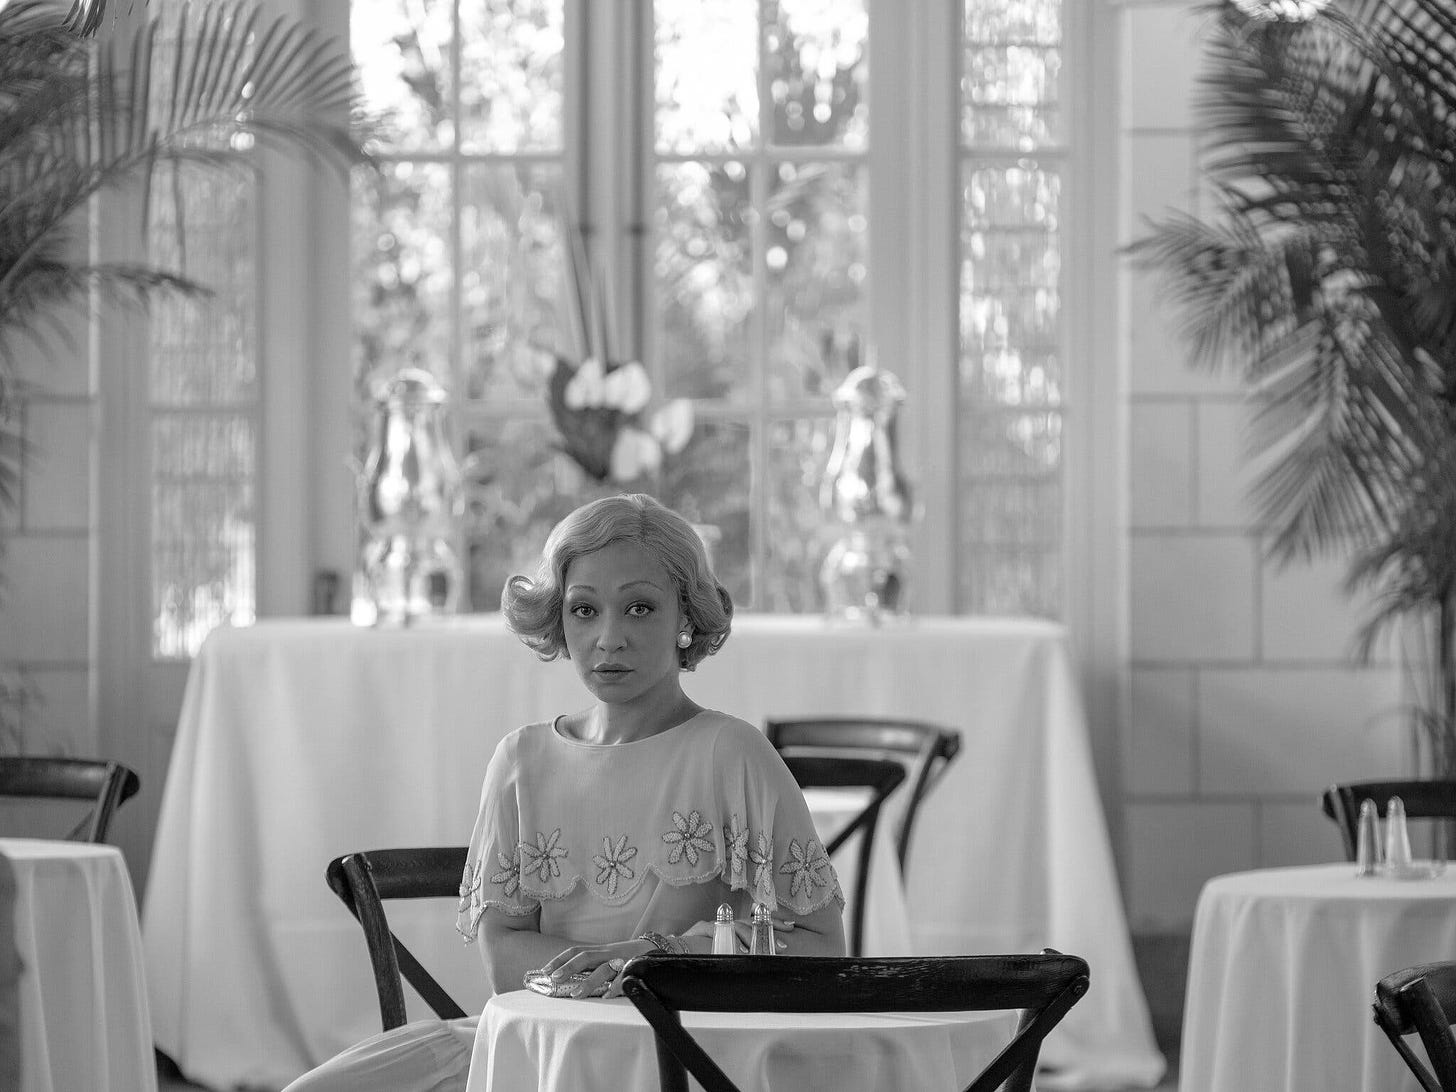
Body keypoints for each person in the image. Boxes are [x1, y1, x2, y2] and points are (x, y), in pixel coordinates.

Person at [284, 493, 846, 1092]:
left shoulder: (733, 754)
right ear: (557, 618)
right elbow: (504, 960)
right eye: (584, 610)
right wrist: (627, 966)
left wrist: (649, 957)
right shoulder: (521, 762)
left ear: (686, 617)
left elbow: (821, 946)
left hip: (686, 1059)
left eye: (638, 607)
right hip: (543, 1049)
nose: (608, 638)